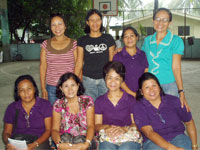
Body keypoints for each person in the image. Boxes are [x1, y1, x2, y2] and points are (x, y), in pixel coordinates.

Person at [133, 72, 198, 150]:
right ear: (141, 92)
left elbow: (189, 122)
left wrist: (194, 146)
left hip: (178, 136)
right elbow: (149, 132)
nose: (151, 90)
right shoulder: (139, 107)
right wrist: (172, 148)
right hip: (152, 141)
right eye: (147, 87)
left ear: (159, 87)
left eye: (154, 85)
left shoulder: (174, 101)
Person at [141, 8, 189, 110]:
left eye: (165, 19)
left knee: (170, 115)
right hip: (150, 84)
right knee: (152, 114)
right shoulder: (147, 40)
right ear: (153, 20)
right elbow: (144, 63)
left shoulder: (176, 41)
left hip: (169, 85)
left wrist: (181, 91)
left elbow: (176, 67)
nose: (160, 22)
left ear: (169, 23)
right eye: (157, 18)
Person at [95, 61, 141, 150]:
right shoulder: (99, 101)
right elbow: (97, 125)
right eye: (109, 78)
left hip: (128, 138)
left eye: (117, 78)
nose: (113, 82)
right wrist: (108, 127)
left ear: (122, 80)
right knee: (106, 148)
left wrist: (124, 129)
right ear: (105, 79)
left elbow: (136, 124)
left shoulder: (131, 99)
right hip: (108, 137)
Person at [75, 9, 116, 101]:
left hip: (105, 79)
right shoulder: (82, 40)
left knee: (106, 105)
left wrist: (111, 78)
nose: (95, 23)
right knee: (90, 107)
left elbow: (112, 61)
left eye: (97, 20)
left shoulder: (108, 38)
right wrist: (75, 80)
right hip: (88, 80)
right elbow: (79, 62)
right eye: (92, 20)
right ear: (87, 22)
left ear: (101, 21)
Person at [3, 75, 52, 150]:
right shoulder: (12, 108)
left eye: (29, 89)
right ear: (18, 93)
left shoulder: (45, 105)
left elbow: (49, 130)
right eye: (22, 90)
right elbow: (7, 132)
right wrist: (8, 143)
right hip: (18, 141)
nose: (26, 93)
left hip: (39, 142)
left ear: (34, 89)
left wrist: (34, 145)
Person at [40, 13, 77, 105]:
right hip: (51, 88)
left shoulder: (74, 44)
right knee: (54, 116)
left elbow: (78, 66)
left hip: (69, 87)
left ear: (65, 26)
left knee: (69, 116)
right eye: (53, 25)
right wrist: (43, 88)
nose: (57, 27)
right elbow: (43, 67)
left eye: (60, 24)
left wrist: (76, 86)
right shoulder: (45, 44)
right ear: (51, 27)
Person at [52, 72, 95, 150]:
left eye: (73, 85)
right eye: (66, 86)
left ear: (78, 86)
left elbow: (91, 126)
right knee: (65, 137)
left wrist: (86, 144)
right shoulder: (58, 104)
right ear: (61, 88)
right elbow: (55, 129)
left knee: (80, 139)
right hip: (65, 141)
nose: (70, 89)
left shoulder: (87, 101)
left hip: (84, 141)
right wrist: (59, 144)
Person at [113, 26, 148, 97]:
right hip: (123, 95)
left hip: (141, 94)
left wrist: (142, 91)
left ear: (137, 37)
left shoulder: (142, 54)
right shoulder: (117, 56)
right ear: (123, 40)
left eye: (132, 36)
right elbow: (118, 77)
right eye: (126, 36)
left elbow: (145, 73)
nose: (129, 39)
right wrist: (132, 93)